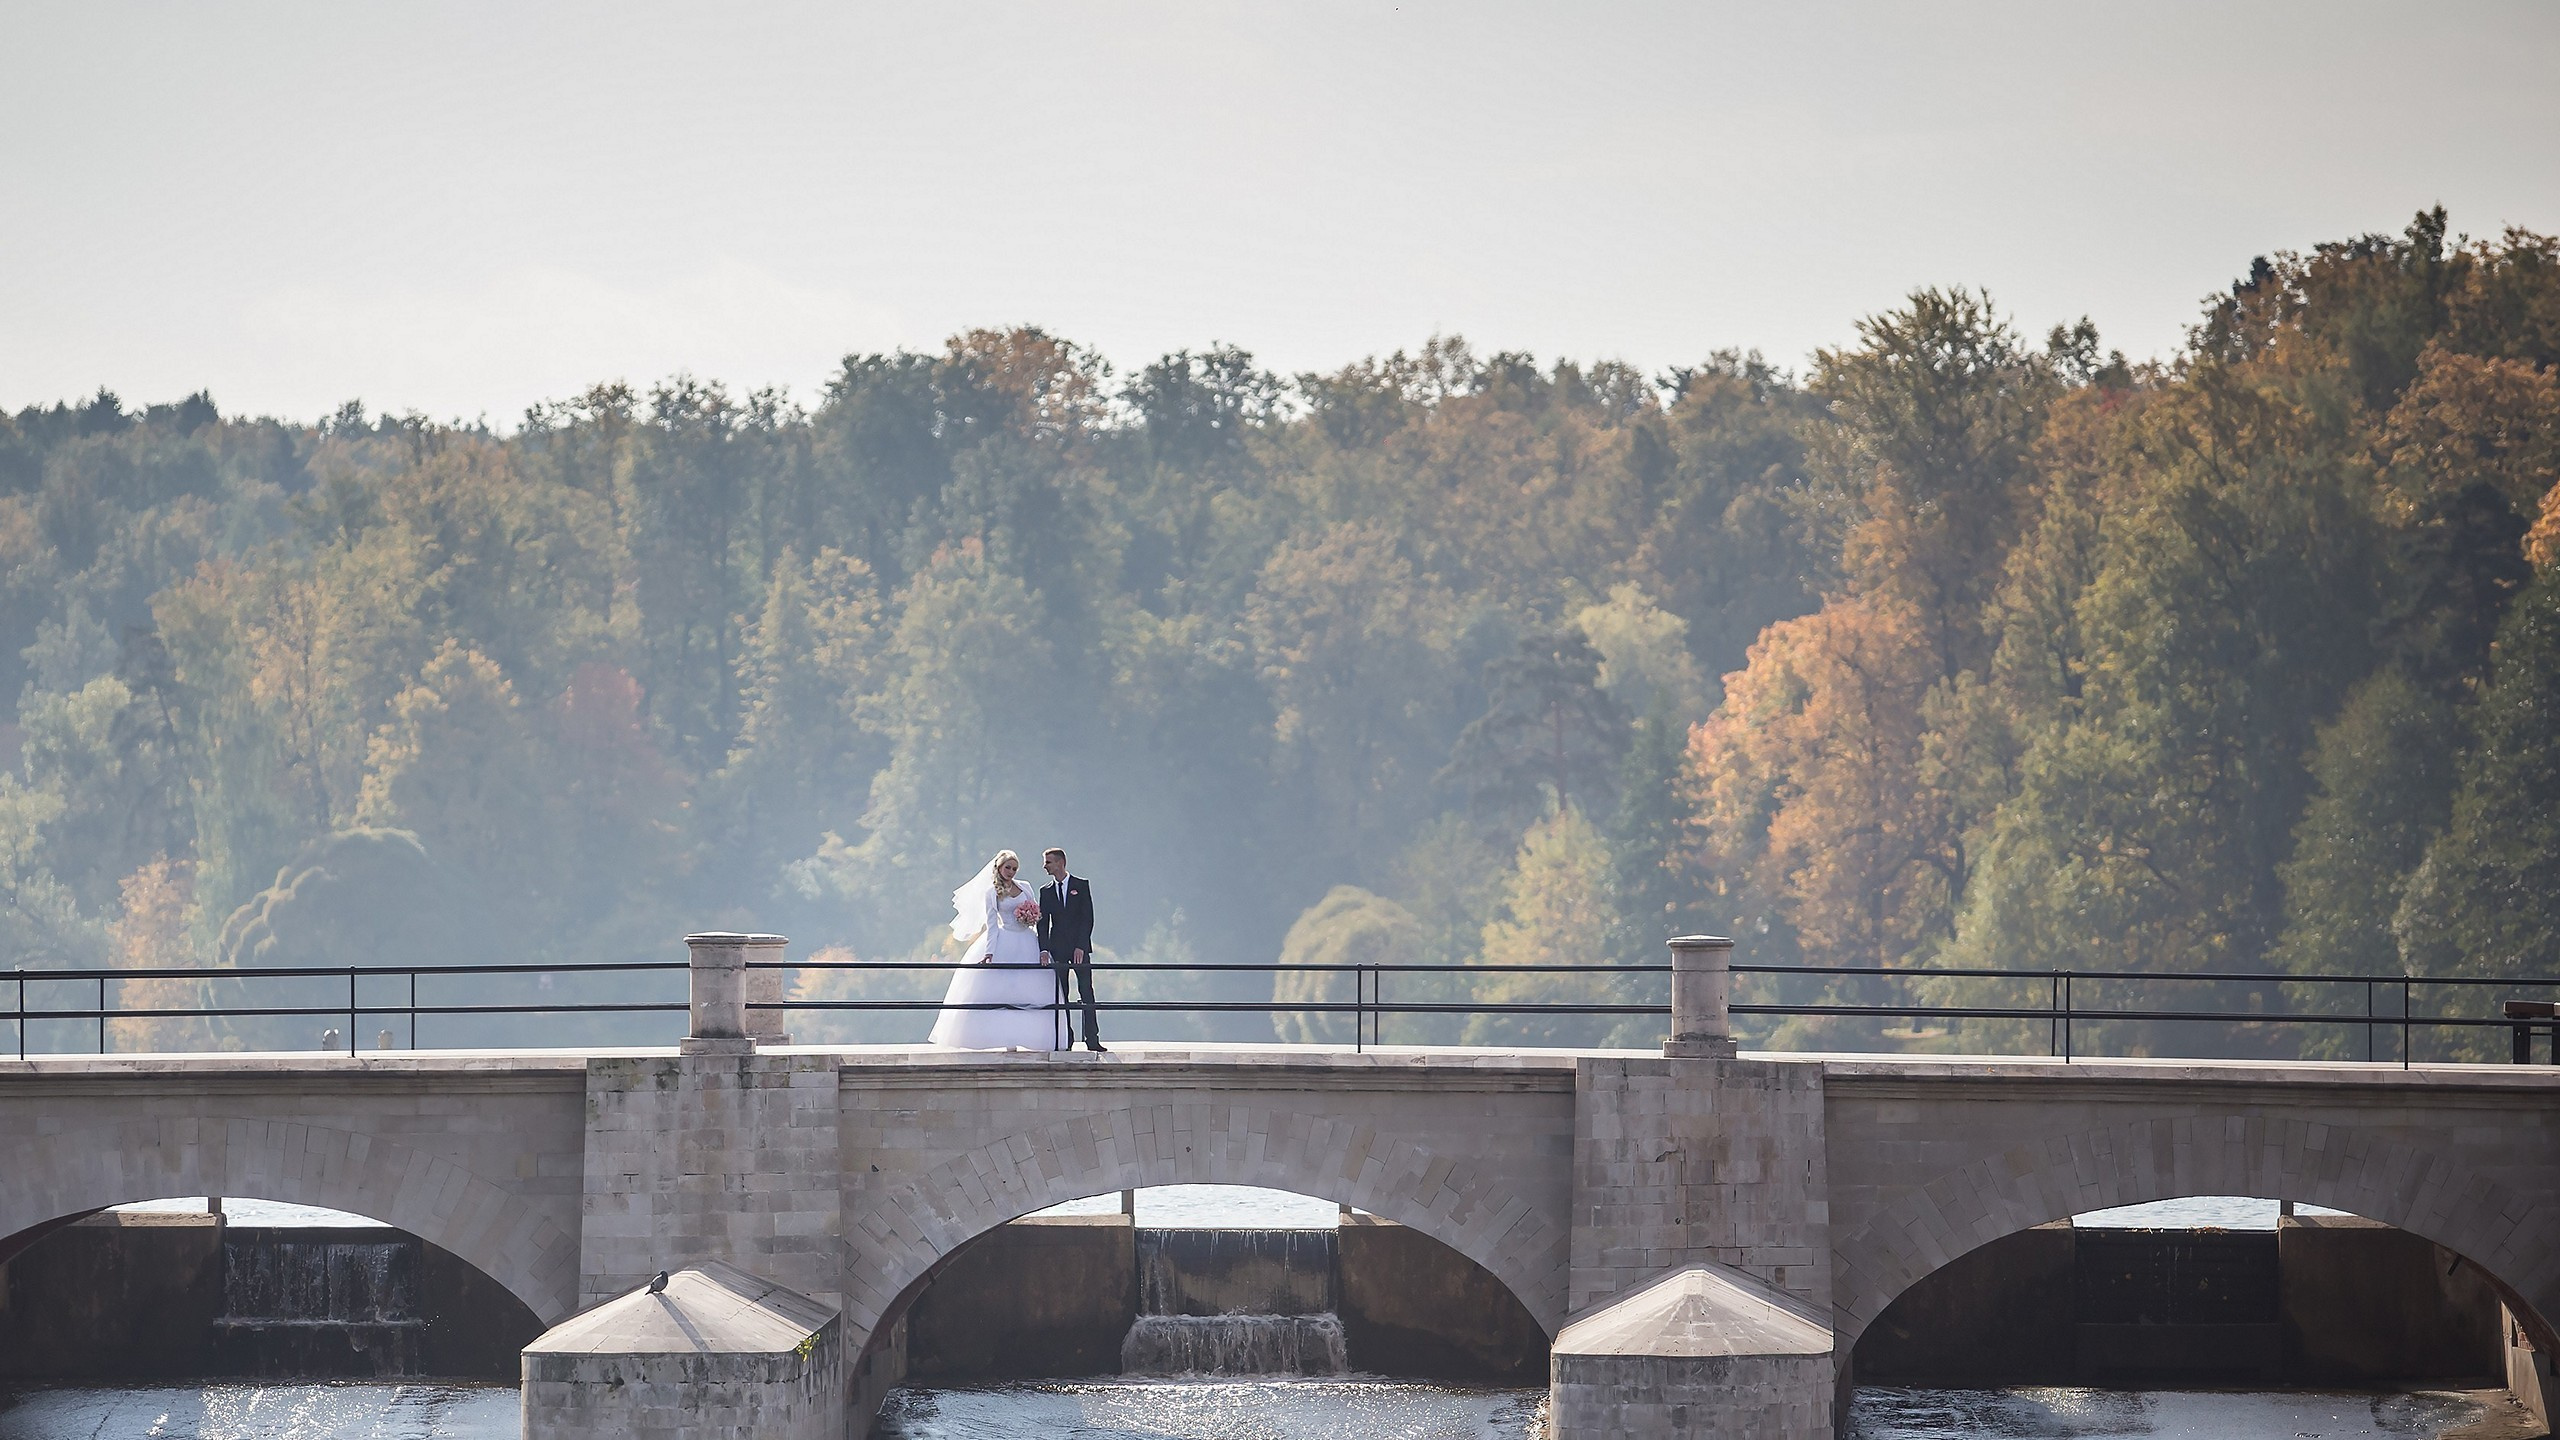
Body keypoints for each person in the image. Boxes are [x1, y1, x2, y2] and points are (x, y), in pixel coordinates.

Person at [928, 850, 1063, 1051]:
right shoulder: (992, 893)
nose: (1011, 872)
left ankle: (1032, 1038)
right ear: (999, 868)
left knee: (1030, 990)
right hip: (1004, 937)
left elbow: (1037, 912)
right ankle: (1002, 1040)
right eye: (1008, 867)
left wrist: (1030, 920)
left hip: (1026, 938)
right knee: (1000, 990)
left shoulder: (1025, 886)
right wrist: (989, 953)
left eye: (1014, 868)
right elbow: (992, 926)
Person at [1037, 846, 1104, 1052]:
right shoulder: (1045, 891)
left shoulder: (1081, 885)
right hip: (1058, 949)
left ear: (1060, 862)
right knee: (1061, 994)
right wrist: (1044, 949)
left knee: (1086, 992)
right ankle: (1066, 1038)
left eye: (1048, 862)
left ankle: (1092, 1039)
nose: (1045, 866)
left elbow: (1087, 918)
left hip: (1079, 949)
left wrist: (1080, 946)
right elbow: (1043, 923)